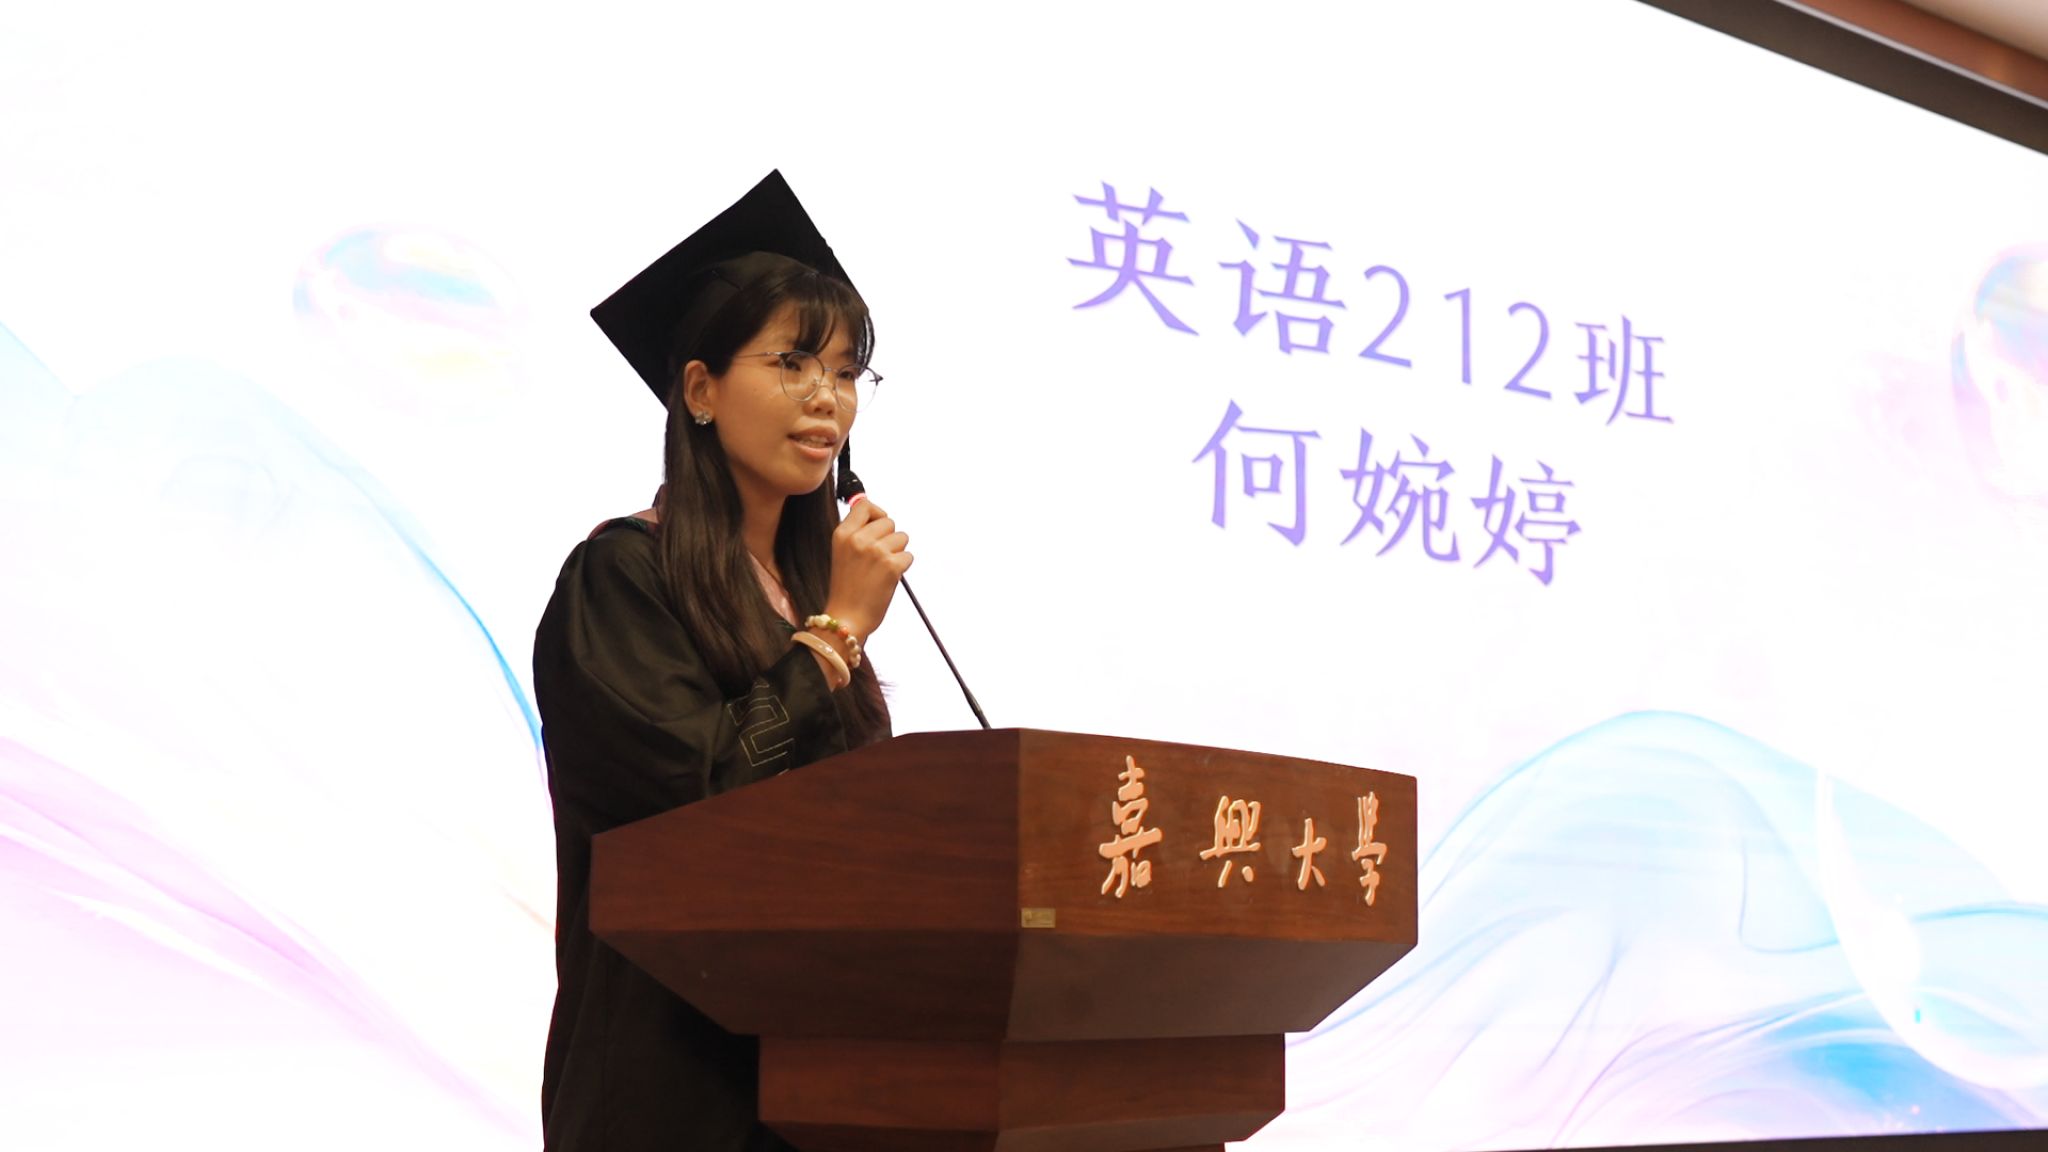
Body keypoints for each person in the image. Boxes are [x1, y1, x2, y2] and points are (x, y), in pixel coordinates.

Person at [532, 172, 910, 1152]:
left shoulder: (807, 590)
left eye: (846, 372)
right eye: (792, 362)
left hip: (817, 1084)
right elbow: (698, 800)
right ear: (699, 390)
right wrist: (833, 637)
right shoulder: (621, 577)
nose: (826, 398)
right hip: (668, 1089)